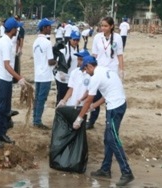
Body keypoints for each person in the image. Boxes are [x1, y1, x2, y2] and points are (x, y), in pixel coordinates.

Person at [73, 55, 134, 187]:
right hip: (119, 103)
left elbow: (89, 98)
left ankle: (126, 172)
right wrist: (93, 107)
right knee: (108, 138)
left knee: (113, 139)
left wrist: (79, 118)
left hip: (115, 108)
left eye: (85, 69)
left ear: (90, 66)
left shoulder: (95, 77)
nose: (85, 72)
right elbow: (106, 94)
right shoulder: (105, 70)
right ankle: (105, 169)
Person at [0, 17, 26, 149]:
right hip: (1, 79)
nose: (18, 30)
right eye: (17, 28)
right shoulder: (5, 43)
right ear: (12, 29)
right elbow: (7, 65)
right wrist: (19, 78)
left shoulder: (8, 41)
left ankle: (2, 133)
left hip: (6, 79)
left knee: (6, 108)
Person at [87, 16, 124, 129]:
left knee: (110, 98)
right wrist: (91, 69)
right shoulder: (97, 37)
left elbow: (120, 55)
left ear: (111, 26)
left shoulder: (117, 38)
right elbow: (94, 55)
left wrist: (121, 70)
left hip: (112, 72)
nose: (103, 28)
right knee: (96, 97)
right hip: (99, 70)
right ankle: (91, 121)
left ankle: (109, 120)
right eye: (102, 25)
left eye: (105, 26)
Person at [32, 18, 56, 130]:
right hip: (46, 74)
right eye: (49, 27)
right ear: (44, 28)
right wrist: (59, 60)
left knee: (37, 98)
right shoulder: (47, 42)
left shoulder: (35, 42)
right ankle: (37, 121)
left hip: (38, 74)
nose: (50, 29)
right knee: (42, 98)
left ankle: (34, 118)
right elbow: (50, 61)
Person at [55, 31, 81, 105]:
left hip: (72, 78)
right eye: (74, 40)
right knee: (61, 98)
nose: (76, 42)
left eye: (77, 40)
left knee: (70, 98)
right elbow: (57, 63)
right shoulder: (64, 49)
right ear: (70, 39)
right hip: (62, 78)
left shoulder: (78, 50)